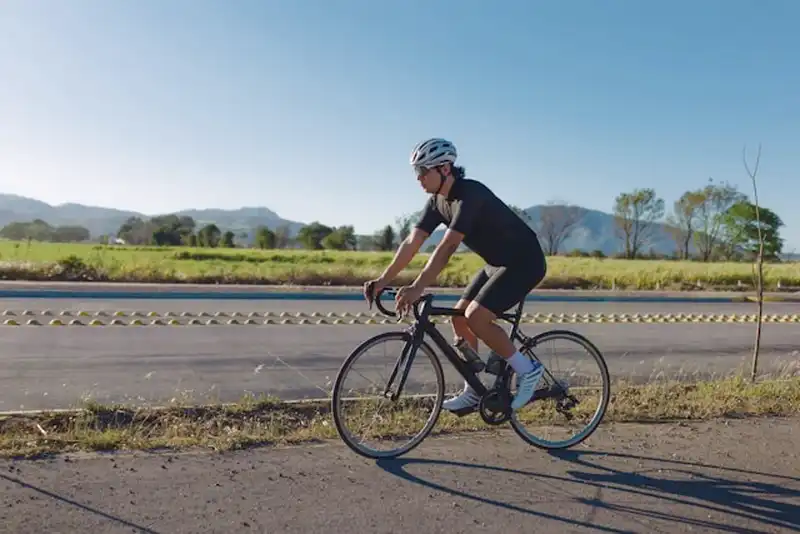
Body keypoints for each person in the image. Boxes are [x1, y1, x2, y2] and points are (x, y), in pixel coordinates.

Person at [363, 137, 548, 413]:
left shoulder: (469, 194)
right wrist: (383, 280)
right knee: (459, 319)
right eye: (416, 172)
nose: (418, 179)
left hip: (525, 261)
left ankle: (528, 370)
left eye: (423, 172)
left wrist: (416, 287)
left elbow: (448, 246)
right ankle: (474, 390)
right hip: (496, 263)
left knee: (477, 316)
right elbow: (411, 243)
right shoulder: (436, 202)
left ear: (445, 169)